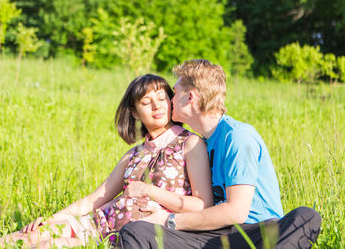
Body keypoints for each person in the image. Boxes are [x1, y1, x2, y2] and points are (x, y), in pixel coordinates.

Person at [0, 74, 213, 248]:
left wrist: (149, 191)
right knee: (32, 236)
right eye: (146, 102)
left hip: (127, 237)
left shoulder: (190, 143)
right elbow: (95, 199)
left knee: (50, 245)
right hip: (98, 223)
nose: (157, 106)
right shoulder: (133, 154)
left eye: (162, 98)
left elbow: (202, 205)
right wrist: (49, 219)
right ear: (134, 112)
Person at [118, 60, 322, 249]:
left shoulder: (237, 136)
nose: (169, 100)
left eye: (174, 92)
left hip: (255, 233)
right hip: (214, 236)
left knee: (306, 217)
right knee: (135, 231)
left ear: (190, 97)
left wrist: (169, 220)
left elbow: (236, 212)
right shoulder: (199, 143)